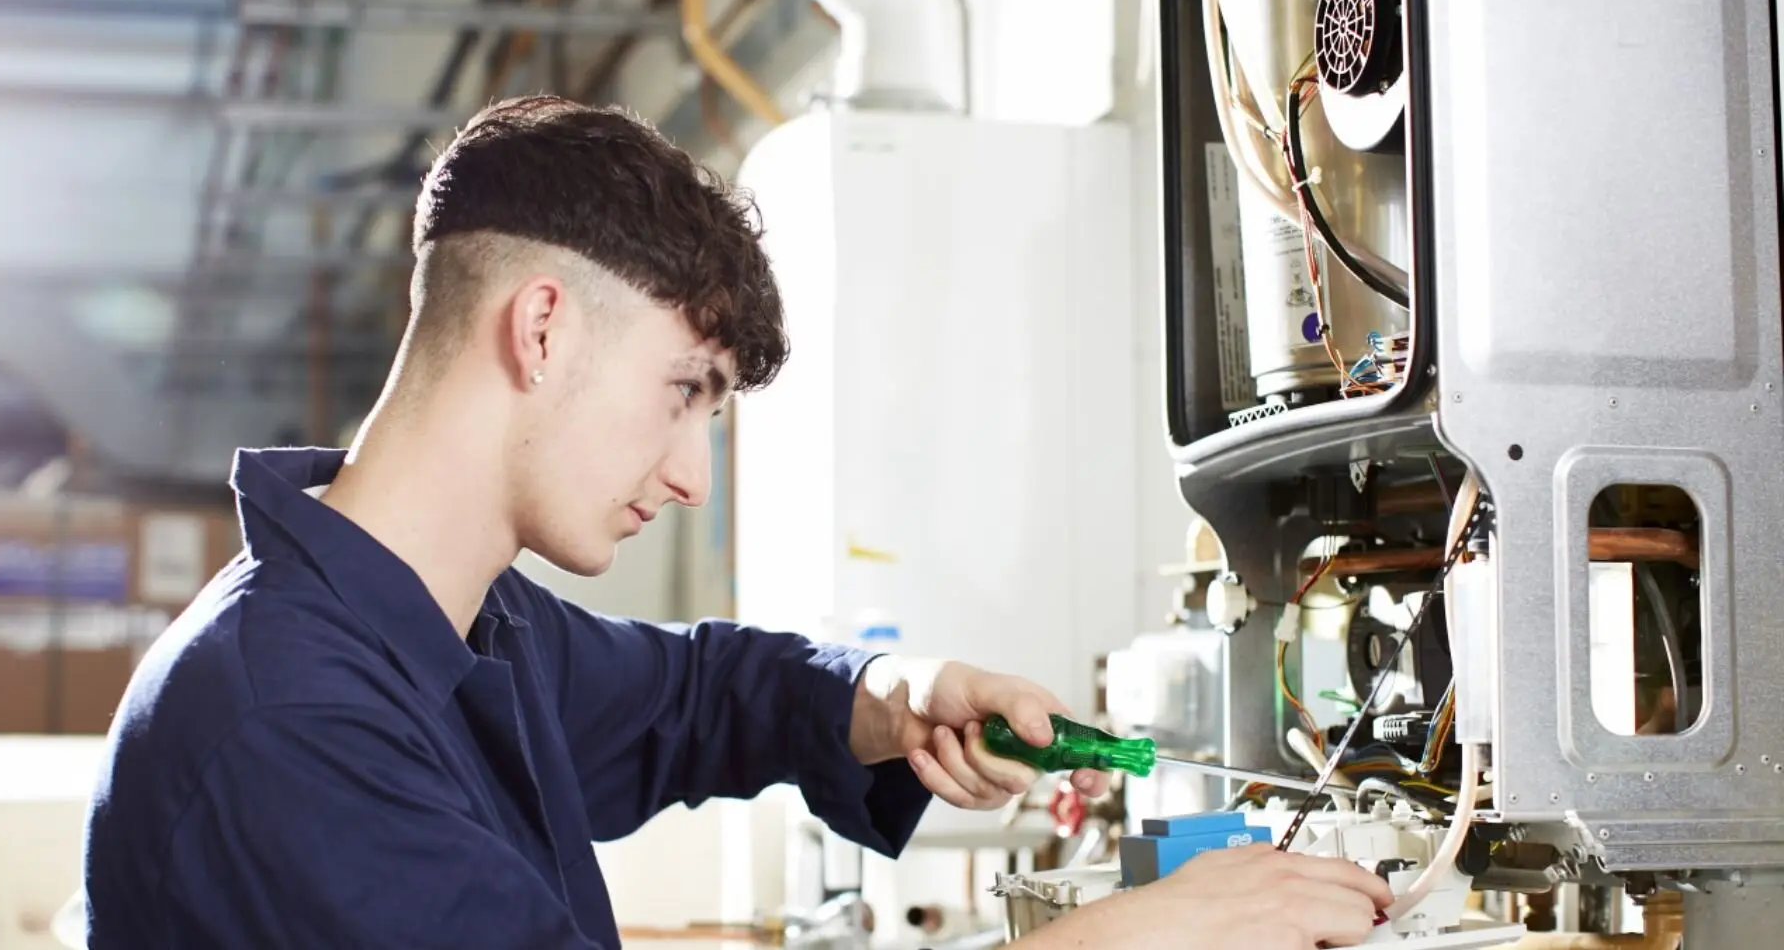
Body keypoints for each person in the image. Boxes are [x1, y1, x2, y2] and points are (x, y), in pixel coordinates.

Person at [80, 96, 1390, 948]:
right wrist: (1128, 935)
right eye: (682, 393)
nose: (693, 475)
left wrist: (896, 694)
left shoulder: (456, 624)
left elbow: (702, 695)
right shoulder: (286, 725)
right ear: (543, 329)